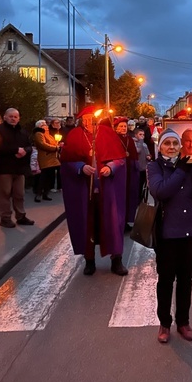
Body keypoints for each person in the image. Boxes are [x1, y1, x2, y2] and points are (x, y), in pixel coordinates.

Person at [148, 129, 192, 343]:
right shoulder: (153, 167)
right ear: (160, 147)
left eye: (175, 143)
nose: (172, 147)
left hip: (190, 230)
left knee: (186, 279)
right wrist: (181, 171)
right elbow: (161, 191)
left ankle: (183, 322)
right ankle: (165, 323)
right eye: (167, 144)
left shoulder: (189, 165)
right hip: (167, 232)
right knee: (165, 280)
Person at [60, 107, 129, 276]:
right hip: (84, 191)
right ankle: (89, 260)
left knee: (112, 223)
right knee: (86, 223)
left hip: (108, 191)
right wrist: (81, 167)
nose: (89, 121)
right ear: (81, 120)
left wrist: (110, 167)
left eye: (92, 118)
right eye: (86, 118)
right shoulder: (75, 135)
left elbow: (120, 159)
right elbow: (67, 161)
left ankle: (116, 260)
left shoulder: (107, 133)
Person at [0, 108, 35, 228]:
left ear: (19, 118)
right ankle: (5, 218)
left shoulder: (23, 131)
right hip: (5, 168)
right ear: (5, 117)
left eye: (15, 117)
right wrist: (15, 150)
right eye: (10, 116)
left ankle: (21, 216)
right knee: (4, 193)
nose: (13, 118)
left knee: (19, 194)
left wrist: (25, 151)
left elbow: (29, 146)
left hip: (20, 168)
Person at [31, 119, 61, 202]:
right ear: (40, 126)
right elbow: (42, 144)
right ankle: (38, 194)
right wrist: (55, 148)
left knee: (50, 177)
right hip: (45, 158)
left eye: (46, 124)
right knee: (43, 177)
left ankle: (45, 194)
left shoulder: (48, 134)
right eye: (44, 124)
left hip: (52, 158)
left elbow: (53, 142)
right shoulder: (39, 133)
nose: (46, 125)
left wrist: (57, 144)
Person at [133, 128, 150, 197]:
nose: (142, 136)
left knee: (143, 186)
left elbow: (147, 153)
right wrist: (140, 141)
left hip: (144, 167)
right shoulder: (134, 143)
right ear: (136, 135)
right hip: (137, 168)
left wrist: (148, 156)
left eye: (143, 135)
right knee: (137, 186)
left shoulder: (144, 144)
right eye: (140, 134)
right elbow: (138, 151)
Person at [48, 118, 63, 192]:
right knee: (52, 170)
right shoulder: (49, 131)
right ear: (52, 124)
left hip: (60, 151)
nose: (58, 124)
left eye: (59, 123)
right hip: (52, 151)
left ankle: (60, 186)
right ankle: (51, 186)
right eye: (56, 123)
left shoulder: (62, 130)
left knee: (60, 169)